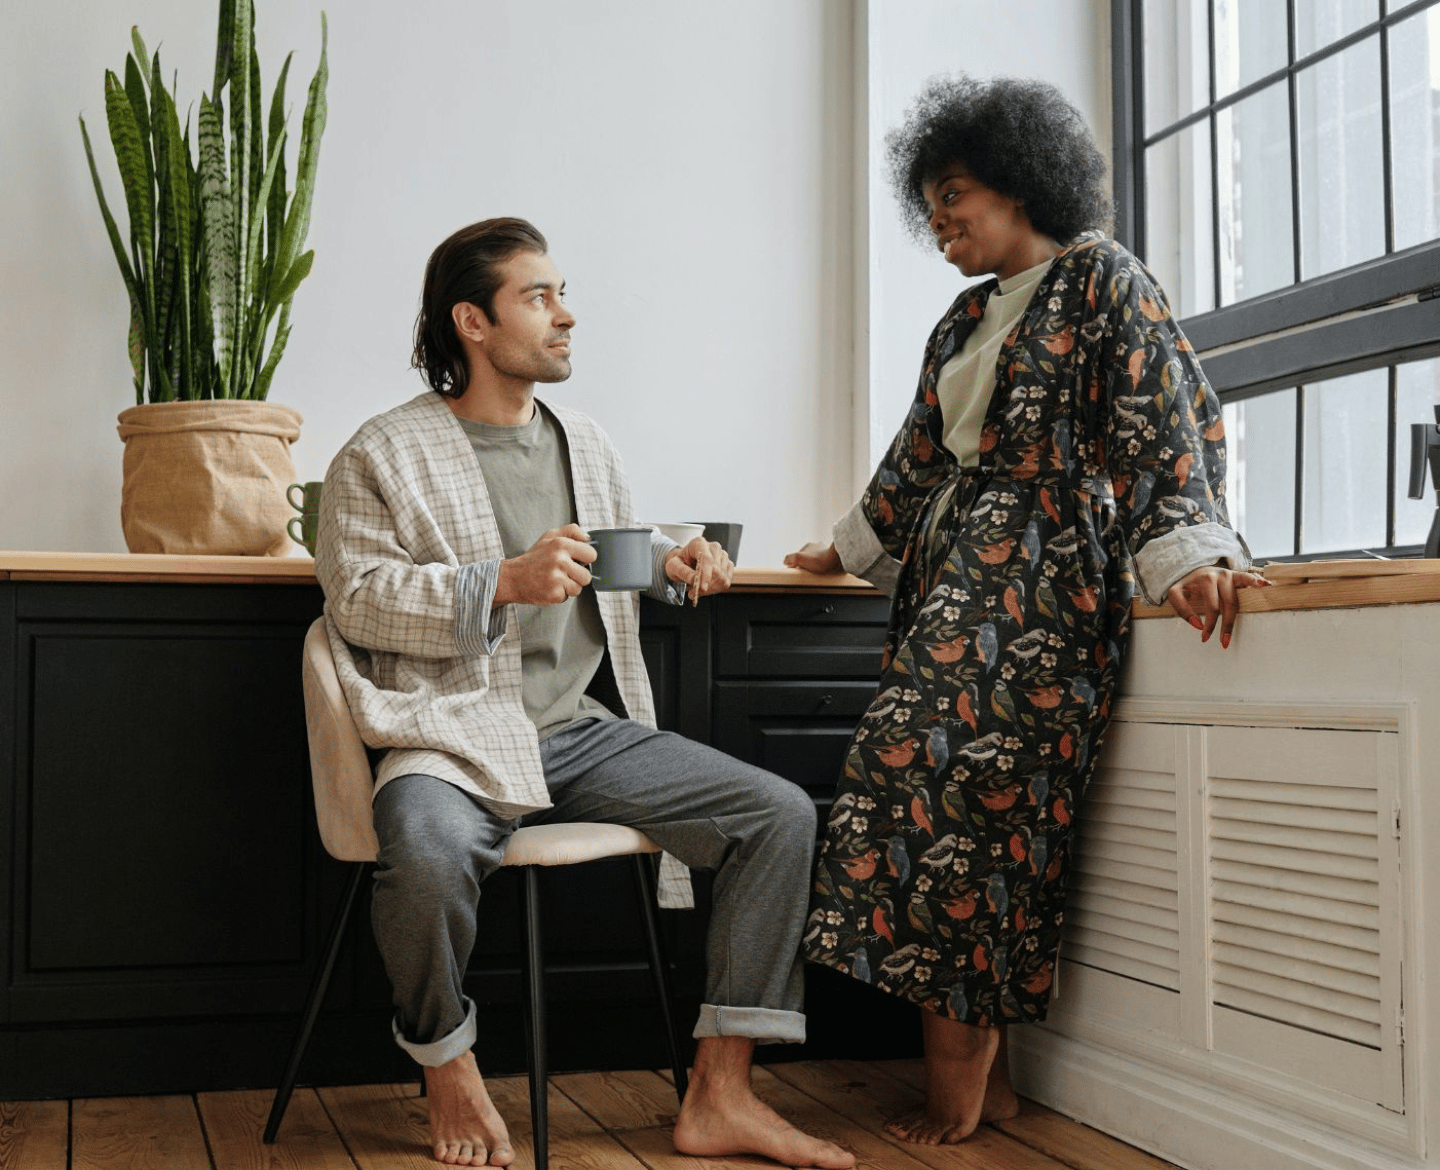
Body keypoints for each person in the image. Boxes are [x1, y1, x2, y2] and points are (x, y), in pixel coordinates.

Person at [787, 75, 1269, 1146]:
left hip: (1045, 577)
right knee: (911, 799)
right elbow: (915, 458)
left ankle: (966, 1075)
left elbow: (1161, 419)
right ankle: (983, 1079)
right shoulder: (964, 316)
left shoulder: (1104, 279)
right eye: (931, 201)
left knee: (959, 801)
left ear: (1020, 181)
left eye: (956, 192)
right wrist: (845, 545)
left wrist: (1188, 550)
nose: (941, 218)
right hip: (953, 575)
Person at [315, 217, 854, 1170]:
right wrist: (502, 583)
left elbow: (608, 554)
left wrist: (676, 561)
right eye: (540, 297)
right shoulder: (381, 453)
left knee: (776, 816)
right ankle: (447, 1065)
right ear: (472, 322)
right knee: (427, 852)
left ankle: (721, 1094)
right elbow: (357, 601)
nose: (567, 316)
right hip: (453, 736)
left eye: (562, 294)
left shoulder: (585, 444)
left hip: (579, 735)